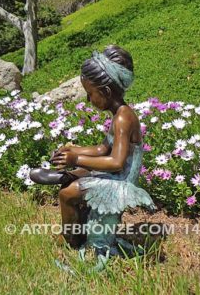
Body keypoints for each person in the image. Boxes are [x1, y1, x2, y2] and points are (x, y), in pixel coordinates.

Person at [30, 45, 157, 249]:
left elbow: (116, 162)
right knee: (80, 172)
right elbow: (102, 149)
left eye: (90, 94)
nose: (89, 100)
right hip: (115, 176)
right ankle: (70, 176)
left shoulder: (124, 118)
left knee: (67, 194)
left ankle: (74, 240)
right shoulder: (120, 114)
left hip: (121, 182)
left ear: (106, 91)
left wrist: (76, 159)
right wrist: (74, 150)